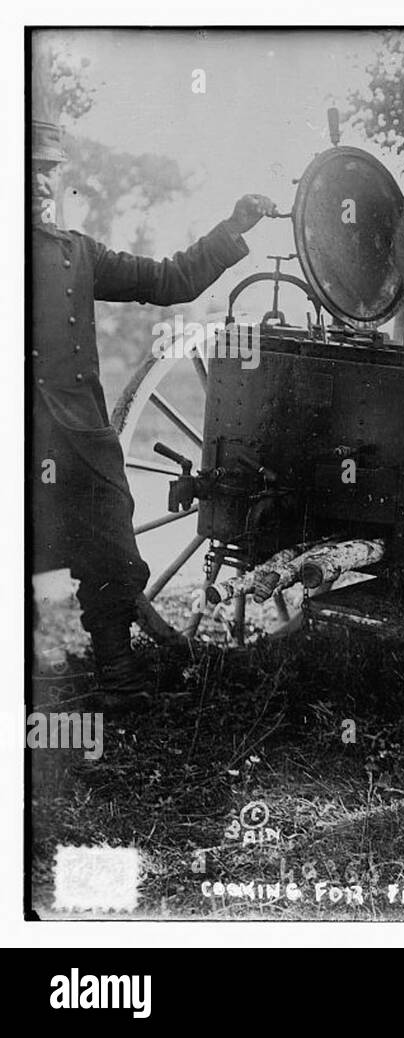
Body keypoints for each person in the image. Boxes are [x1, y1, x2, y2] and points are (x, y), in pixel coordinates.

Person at [30, 110, 275, 710]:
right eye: (27, 170)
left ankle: (119, 678)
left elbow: (168, 280)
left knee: (109, 549)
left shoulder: (76, 252)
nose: (40, 185)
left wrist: (232, 228)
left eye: (49, 173)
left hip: (80, 438)